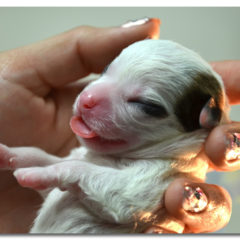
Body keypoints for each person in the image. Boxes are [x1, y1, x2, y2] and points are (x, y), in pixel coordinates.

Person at [0, 17, 238, 234]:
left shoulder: (169, 178)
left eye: (141, 103)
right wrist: (15, 158)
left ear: (205, 122)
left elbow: (125, 202)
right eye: (106, 72)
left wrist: (64, 173)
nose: (90, 97)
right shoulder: (105, 155)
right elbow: (56, 180)